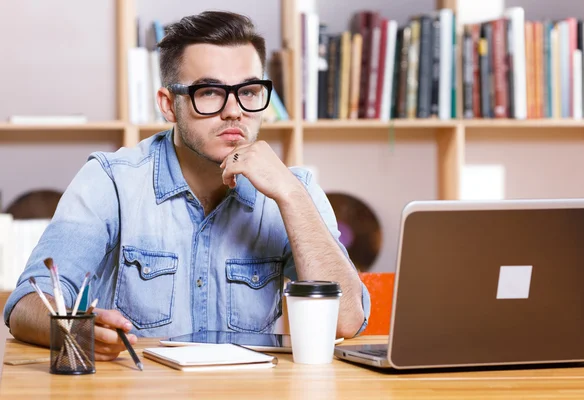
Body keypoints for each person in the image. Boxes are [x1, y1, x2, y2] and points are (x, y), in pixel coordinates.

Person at [3, 11, 371, 361]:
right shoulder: (111, 180)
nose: (234, 111)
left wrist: (290, 196)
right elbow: (26, 306)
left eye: (249, 91)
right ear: (168, 104)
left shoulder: (295, 189)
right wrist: (78, 330)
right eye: (210, 92)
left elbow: (347, 320)